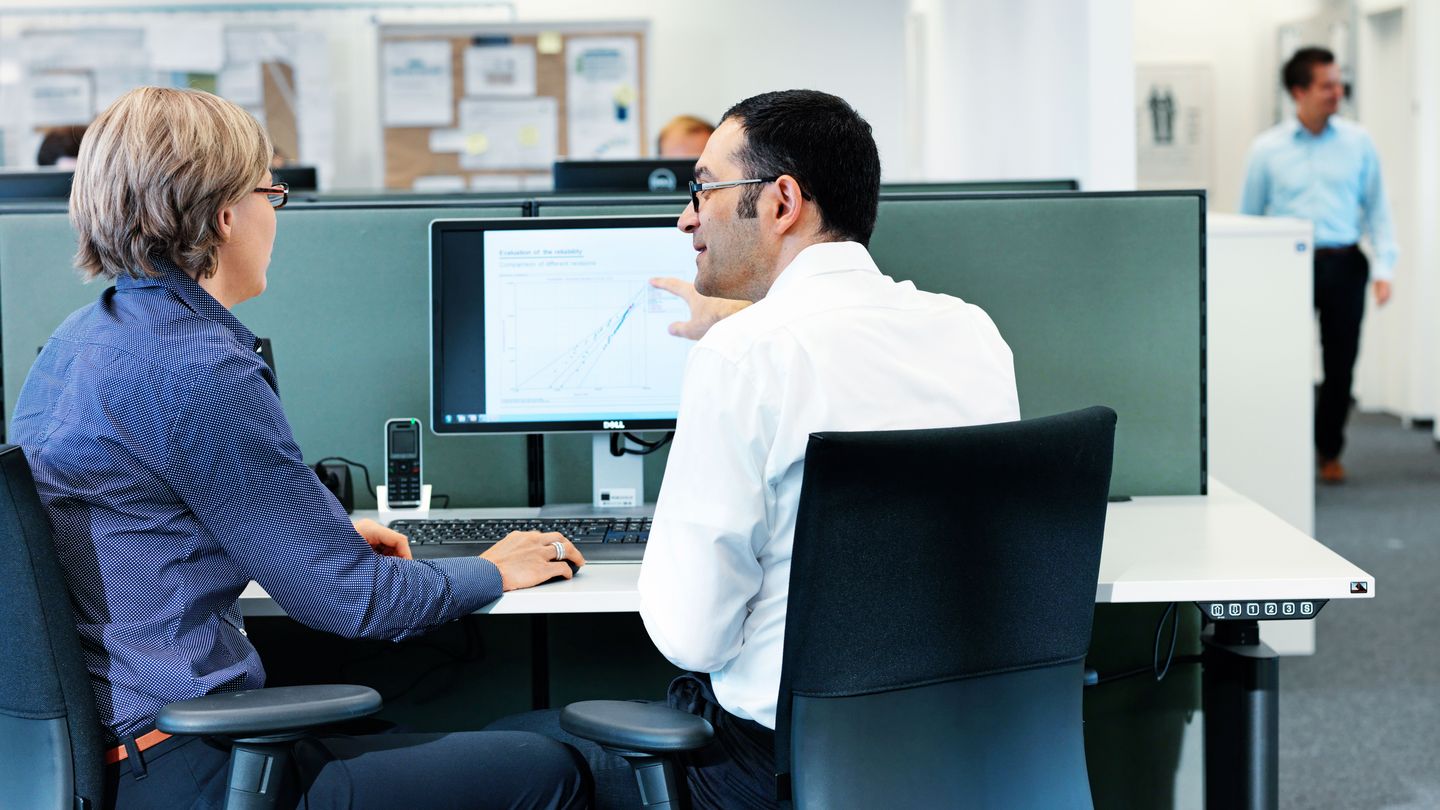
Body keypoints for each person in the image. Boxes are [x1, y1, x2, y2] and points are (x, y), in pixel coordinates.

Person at [10, 87, 590, 810]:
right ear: (226, 215)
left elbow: (139, 522)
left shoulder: (89, 336)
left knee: (468, 739)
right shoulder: (196, 363)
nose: (273, 218)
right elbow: (354, 603)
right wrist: (492, 569)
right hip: (185, 763)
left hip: (105, 755)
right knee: (549, 767)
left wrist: (315, 535)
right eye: (269, 194)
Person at [490, 89, 1021, 809]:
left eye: (703, 188)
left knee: (518, 750)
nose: (687, 216)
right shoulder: (971, 333)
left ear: (780, 202)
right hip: (964, 758)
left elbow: (692, 637)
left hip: (771, 773)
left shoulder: (747, 355)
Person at [1240, 46, 1398, 484]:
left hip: (1344, 263)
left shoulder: (1358, 142)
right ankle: (1280, 448)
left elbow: (1379, 211)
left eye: (1338, 82)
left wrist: (1384, 269)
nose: (1337, 91)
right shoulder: (1266, 150)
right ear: (1299, 91)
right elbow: (1249, 217)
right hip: (1284, 268)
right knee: (1280, 362)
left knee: (1340, 364)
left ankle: (1328, 450)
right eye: (1326, 84)